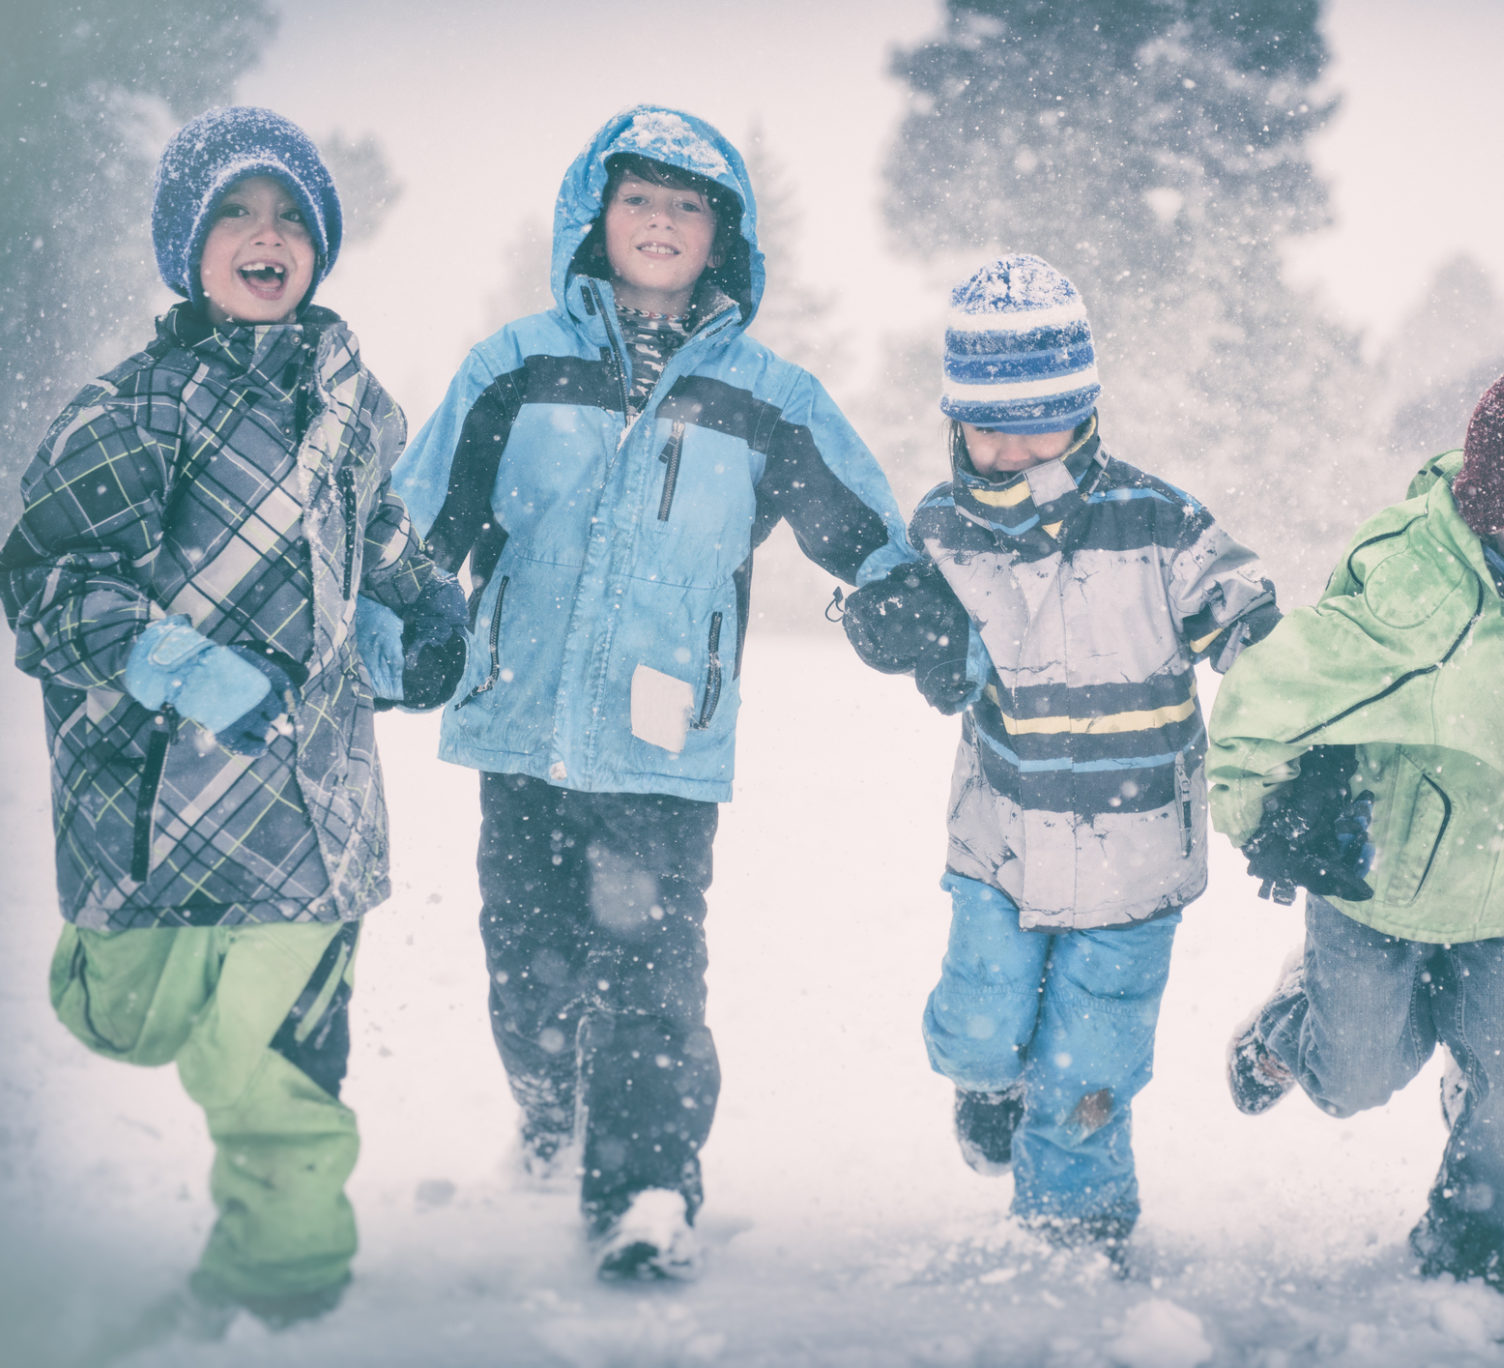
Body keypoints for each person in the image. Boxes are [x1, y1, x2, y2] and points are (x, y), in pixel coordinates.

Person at [385, 105, 912, 1283]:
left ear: (723, 235)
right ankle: (546, 1111)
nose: (662, 221)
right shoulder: (514, 366)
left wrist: (909, 607)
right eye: (640, 199)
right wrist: (400, 629)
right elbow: (416, 528)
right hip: (517, 722)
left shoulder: (766, 394)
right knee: (526, 975)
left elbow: (865, 528)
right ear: (594, 217)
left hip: (660, 745)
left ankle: (646, 1188)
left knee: (648, 980)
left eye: (688, 204)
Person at [0, 107, 464, 1330]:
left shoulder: (357, 410)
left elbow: (388, 544)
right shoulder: (134, 409)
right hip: (159, 797)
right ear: (185, 247)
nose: (266, 235)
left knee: (281, 1074)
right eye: (234, 213)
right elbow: (44, 583)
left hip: (314, 808)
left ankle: (286, 1286)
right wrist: (168, 660)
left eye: (290, 216)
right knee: (129, 1014)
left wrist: (424, 618)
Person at [839, 254, 1281, 1263]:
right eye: (985, 419)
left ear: (1083, 408)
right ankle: (984, 1085)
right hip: (999, 840)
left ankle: (1072, 1236)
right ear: (953, 419)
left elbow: (1251, 627)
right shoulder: (944, 529)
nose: (1009, 442)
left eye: (1037, 413)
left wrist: (1287, 706)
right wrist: (895, 623)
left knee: (1093, 1065)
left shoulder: (1157, 522)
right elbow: (944, 665)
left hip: (1136, 862)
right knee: (978, 1022)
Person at [1210, 364, 1504, 1304]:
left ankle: (1463, 1242)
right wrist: (1266, 818)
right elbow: (1259, 702)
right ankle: (1296, 1022)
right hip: (1381, 889)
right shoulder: (1420, 603)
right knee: (1357, 1080)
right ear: (1500, 510)